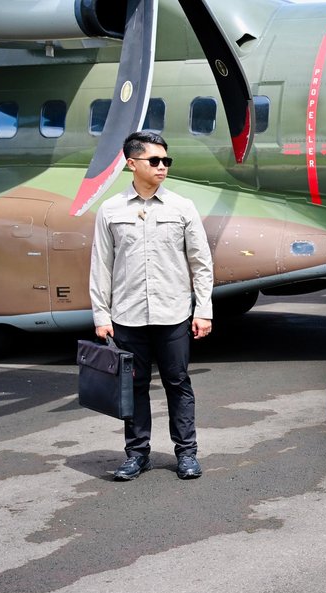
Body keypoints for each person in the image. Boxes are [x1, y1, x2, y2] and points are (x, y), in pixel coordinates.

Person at [89, 130, 213, 482]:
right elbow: (101, 265)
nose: (162, 167)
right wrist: (102, 314)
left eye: (166, 161)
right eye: (154, 161)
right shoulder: (111, 211)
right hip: (127, 316)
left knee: (178, 382)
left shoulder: (182, 207)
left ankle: (187, 453)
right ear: (132, 163)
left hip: (173, 313)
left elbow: (201, 263)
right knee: (135, 386)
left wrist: (203, 309)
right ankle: (136, 454)